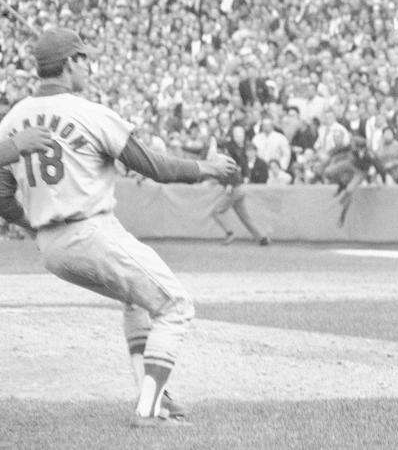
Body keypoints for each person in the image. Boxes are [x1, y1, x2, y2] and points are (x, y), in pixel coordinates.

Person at [0, 27, 238, 427]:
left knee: (137, 301)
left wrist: (38, 226)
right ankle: (149, 411)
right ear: (70, 62)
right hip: (91, 231)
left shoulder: (12, 120)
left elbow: (3, 197)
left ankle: (156, 399)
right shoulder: (90, 113)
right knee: (176, 306)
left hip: (52, 249)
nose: (89, 66)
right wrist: (207, 168)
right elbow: (154, 167)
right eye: (85, 58)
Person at [208, 138, 271, 246]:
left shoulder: (223, 158)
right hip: (239, 188)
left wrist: (230, 184)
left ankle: (229, 233)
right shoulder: (226, 157)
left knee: (216, 211)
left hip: (234, 189)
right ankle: (262, 238)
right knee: (245, 217)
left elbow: (234, 172)